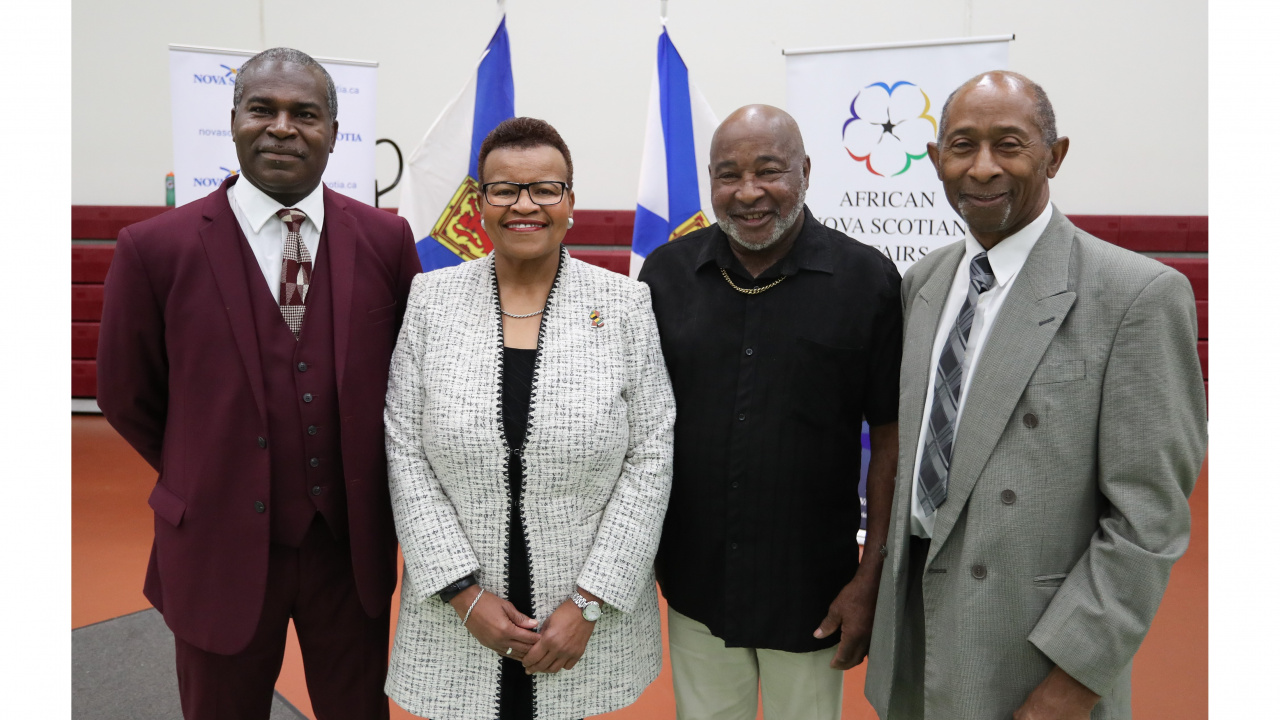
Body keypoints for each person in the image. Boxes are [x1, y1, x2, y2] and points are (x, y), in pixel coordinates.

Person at [863, 71, 1208, 720]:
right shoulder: (924, 282)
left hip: (1033, 650)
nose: (983, 167)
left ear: (1055, 154)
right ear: (936, 161)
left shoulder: (1135, 295)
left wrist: (1075, 678)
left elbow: (1148, 517)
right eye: (962, 146)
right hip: (917, 635)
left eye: (1010, 144)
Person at [97, 47, 421, 719]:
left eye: (305, 113)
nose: (282, 127)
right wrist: (207, 464)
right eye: (262, 109)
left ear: (333, 132)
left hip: (348, 549)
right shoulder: (155, 248)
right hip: (215, 544)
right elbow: (128, 394)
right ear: (234, 120)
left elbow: (408, 381)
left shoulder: (386, 241)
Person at [382, 116, 676, 720]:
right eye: (504, 189)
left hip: (586, 624)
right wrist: (463, 594)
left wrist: (589, 602)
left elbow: (651, 455)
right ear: (478, 204)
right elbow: (404, 450)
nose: (525, 205)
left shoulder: (625, 304)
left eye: (545, 188)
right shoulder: (430, 301)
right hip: (456, 617)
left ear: (570, 202)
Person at [638, 105, 902, 720]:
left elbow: (891, 436)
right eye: (728, 175)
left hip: (812, 583)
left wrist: (871, 578)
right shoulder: (665, 277)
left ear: (806, 171)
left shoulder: (867, 280)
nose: (748, 192)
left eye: (769, 171)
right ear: (709, 181)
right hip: (695, 577)